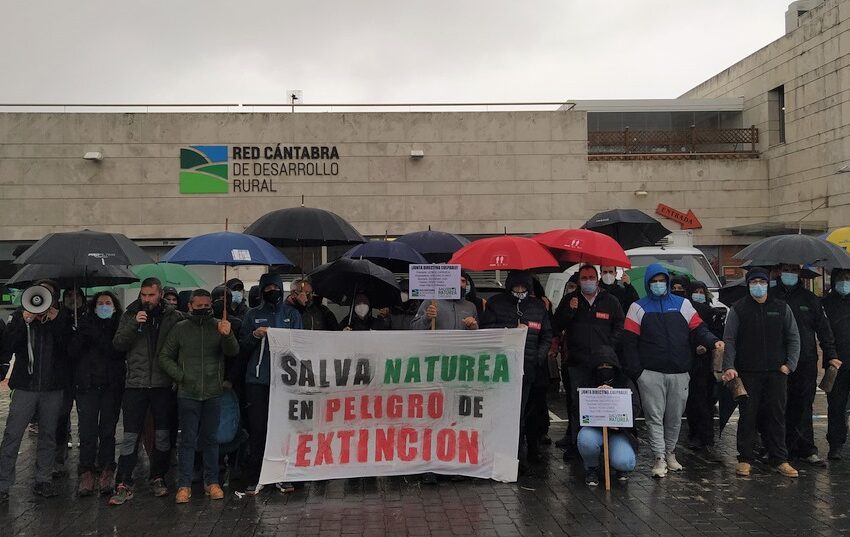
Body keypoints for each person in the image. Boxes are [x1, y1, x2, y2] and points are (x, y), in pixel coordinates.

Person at [623, 264, 722, 478]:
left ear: (667, 282)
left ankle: (670, 453)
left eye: (662, 280)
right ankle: (659, 457)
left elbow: (699, 329)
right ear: (649, 283)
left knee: (675, 417)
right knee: (654, 417)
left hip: (680, 372)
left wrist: (714, 342)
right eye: (654, 281)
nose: (658, 285)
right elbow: (629, 343)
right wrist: (638, 373)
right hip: (650, 373)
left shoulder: (683, 304)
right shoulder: (637, 308)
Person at [159, 289, 239, 503]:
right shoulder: (180, 329)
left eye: (207, 305)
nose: (203, 308)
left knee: (211, 440)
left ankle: (212, 482)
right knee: (187, 441)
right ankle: (184, 485)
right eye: (199, 305)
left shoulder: (218, 326)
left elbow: (233, 352)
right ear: (190, 306)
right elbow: (165, 356)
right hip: (188, 393)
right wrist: (181, 376)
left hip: (213, 393)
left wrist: (227, 334)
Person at [110, 277, 184, 505]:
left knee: (162, 435)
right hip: (136, 384)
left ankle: (158, 476)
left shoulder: (173, 317)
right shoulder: (131, 314)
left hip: (162, 385)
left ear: (160, 294)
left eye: (151, 295)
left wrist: (175, 378)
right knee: (130, 435)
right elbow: (118, 344)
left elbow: (180, 348)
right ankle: (123, 481)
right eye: (143, 295)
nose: (146, 299)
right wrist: (134, 323)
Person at [722, 267, 801, 478]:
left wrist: (789, 364)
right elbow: (729, 340)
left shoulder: (781, 308)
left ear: (768, 283)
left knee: (776, 416)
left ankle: (780, 459)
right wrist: (729, 366)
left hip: (777, 373)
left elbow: (794, 338)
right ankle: (745, 459)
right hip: (748, 372)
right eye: (754, 282)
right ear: (748, 284)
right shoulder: (738, 309)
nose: (758, 285)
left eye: (762, 281)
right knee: (748, 416)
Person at [0, 280, 72, 501]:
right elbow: (7, 346)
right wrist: (24, 322)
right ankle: (3, 484)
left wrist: (54, 321)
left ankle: (43, 479)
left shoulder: (62, 318)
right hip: (25, 387)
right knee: (13, 434)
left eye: (48, 294)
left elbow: (69, 348)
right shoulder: (21, 316)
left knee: (48, 435)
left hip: (52, 388)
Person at [240, 272, 303, 495]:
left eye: (275, 288)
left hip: (285, 382)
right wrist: (255, 335)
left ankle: (283, 475)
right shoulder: (252, 315)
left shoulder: (292, 314)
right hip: (258, 381)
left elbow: (300, 344)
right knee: (258, 430)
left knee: (283, 430)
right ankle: (256, 476)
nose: (271, 292)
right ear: (261, 291)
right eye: (267, 289)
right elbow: (242, 347)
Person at [481, 270, 552, 468]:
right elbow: (486, 330)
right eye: (516, 287)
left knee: (521, 414)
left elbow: (546, 334)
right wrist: (511, 330)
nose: (519, 291)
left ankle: (518, 457)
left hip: (528, 369)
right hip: (501, 370)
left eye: (523, 287)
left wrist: (538, 357)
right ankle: (502, 454)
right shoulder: (495, 303)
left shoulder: (538, 307)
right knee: (503, 415)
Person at [770, 263, 837, 466]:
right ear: (780, 271)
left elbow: (824, 330)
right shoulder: (771, 296)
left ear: (799, 273)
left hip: (806, 360)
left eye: (794, 270)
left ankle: (807, 448)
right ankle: (777, 448)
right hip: (777, 360)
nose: (790, 274)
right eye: (786, 269)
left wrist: (831, 354)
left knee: (804, 406)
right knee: (777, 406)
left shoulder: (810, 299)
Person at [553, 265, 624, 457]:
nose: (588, 281)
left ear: (597, 278)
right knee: (576, 406)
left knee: (600, 406)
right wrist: (570, 311)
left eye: (591, 277)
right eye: (584, 278)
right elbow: (556, 325)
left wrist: (609, 347)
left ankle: (602, 447)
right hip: (577, 362)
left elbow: (619, 325)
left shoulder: (610, 301)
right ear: (579, 280)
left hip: (603, 365)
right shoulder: (570, 300)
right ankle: (577, 446)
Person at [70, 291, 126, 497]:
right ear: (93, 307)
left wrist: (96, 334)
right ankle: (86, 471)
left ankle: (107, 470)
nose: (104, 306)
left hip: (111, 386)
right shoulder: (84, 325)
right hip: (88, 386)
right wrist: (82, 334)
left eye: (108, 303)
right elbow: (72, 353)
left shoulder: (119, 326)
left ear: (114, 306)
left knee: (107, 431)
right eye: (100, 303)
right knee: (87, 431)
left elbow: (116, 351)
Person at [576, 347, 641, 486]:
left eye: (608, 365)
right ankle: (591, 467)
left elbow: (635, 407)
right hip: (595, 429)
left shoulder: (625, 382)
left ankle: (620, 468)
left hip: (619, 431)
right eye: (600, 365)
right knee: (586, 440)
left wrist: (615, 400)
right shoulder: (587, 382)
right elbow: (578, 409)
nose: (604, 368)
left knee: (624, 462)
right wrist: (594, 396)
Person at [684, 280, 725, 461]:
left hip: (708, 364)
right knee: (694, 402)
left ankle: (706, 438)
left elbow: (716, 334)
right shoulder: (686, 310)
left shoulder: (712, 312)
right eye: (696, 291)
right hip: (691, 362)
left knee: (707, 402)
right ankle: (695, 435)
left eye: (702, 291)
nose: (699, 294)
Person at [821, 269, 849, 460]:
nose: (845, 282)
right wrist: (831, 354)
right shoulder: (825, 304)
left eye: (848, 278)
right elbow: (824, 333)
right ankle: (836, 444)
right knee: (836, 406)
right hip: (836, 364)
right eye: (841, 279)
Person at [410, 295, 478, 330]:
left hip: (461, 353)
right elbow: (414, 328)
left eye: (463, 281)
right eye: (457, 281)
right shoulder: (431, 302)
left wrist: (473, 327)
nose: (460, 284)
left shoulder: (471, 306)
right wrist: (426, 318)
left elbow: (478, 335)